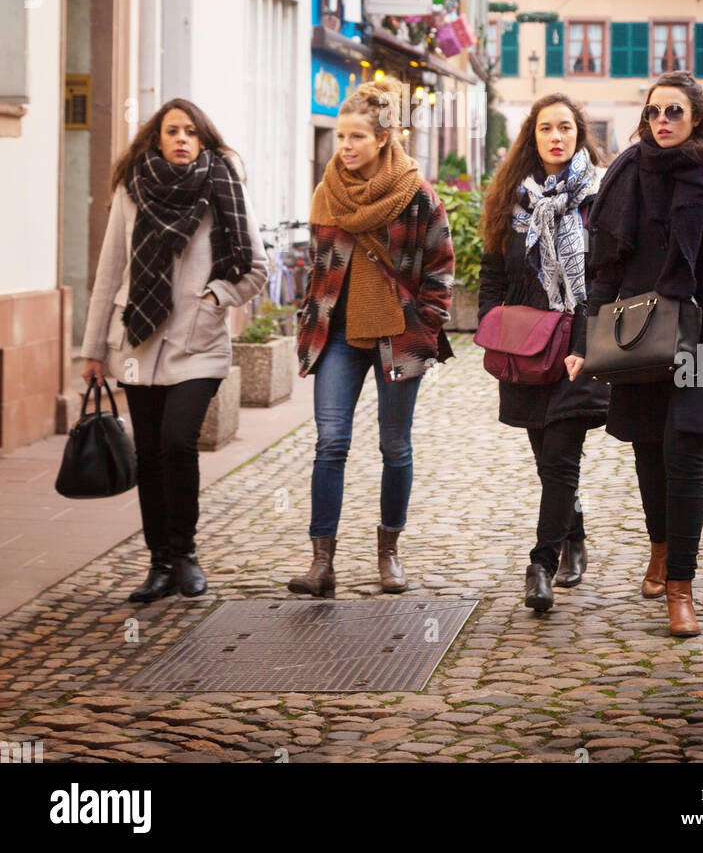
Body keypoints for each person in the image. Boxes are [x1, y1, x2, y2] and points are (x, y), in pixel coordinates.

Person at [570, 72, 703, 638]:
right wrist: (582, 343)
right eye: (656, 112)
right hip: (637, 334)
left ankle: (680, 588)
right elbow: (601, 271)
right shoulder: (624, 175)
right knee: (648, 451)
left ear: (697, 119)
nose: (663, 121)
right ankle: (659, 547)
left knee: (685, 453)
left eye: (675, 112)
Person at [81, 100, 267, 603]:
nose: (181, 138)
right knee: (149, 455)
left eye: (190, 131)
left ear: (203, 139)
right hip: (137, 342)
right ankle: (159, 563)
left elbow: (255, 268)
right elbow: (109, 271)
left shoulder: (222, 187)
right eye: (171, 131)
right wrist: (92, 348)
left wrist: (215, 299)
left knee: (178, 441)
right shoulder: (132, 188)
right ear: (156, 139)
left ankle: (185, 553)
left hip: (197, 343)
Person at [290, 77, 454, 598]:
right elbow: (317, 267)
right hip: (336, 334)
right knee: (330, 443)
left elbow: (440, 269)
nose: (345, 147)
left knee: (394, 446)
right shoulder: (327, 192)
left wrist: (426, 325)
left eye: (356, 137)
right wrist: (306, 317)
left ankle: (389, 554)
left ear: (383, 138)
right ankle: (322, 563)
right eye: (341, 137)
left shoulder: (416, 195)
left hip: (396, 336)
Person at [479, 94, 609, 612]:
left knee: (559, 458)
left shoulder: (599, 196)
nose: (556, 137)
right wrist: (495, 324)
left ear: (579, 133)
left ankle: (541, 563)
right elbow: (492, 271)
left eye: (565, 128)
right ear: (531, 138)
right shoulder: (512, 199)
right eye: (545, 129)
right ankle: (573, 530)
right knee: (546, 460)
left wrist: (588, 343)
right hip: (527, 349)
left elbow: (604, 277)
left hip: (578, 349)